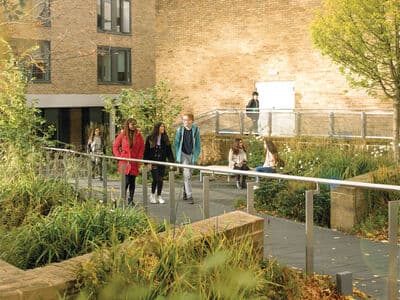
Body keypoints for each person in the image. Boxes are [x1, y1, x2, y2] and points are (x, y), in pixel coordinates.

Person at [112, 118, 145, 206]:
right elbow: (115, 146)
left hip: (134, 161)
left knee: (132, 181)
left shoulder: (138, 135)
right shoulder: (123, 134)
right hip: (125, 161)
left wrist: (139, 158)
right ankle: (123, 198)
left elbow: (142, 147)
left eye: (135, 124)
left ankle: (131, 199)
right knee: (126, 181)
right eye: (132, 124)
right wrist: (119, 157)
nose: (134, 126)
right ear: (128, 125)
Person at [143, 122, 174, 204]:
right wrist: (146, 162)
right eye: (161, 127)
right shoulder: (150, 138)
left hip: (162, 161)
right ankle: (152, 194)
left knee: (160, 179)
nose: (163, 128)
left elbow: (169, 151)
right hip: (153, 161)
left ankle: (159, 196)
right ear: (157, 128)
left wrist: (171, 162)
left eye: (163, 127)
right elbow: (146, 151)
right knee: (156, 179)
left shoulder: (165, 138)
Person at [174, 113, 201, 204]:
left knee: (189, 175)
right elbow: (176, 144)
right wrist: (178, 155)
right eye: (184, 120)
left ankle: (185, 192)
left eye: (187, 120)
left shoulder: (196, 130)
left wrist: (195, 156)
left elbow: (198, 145)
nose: (185, 122)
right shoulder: (180, 130)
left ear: (191, 121)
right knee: (187, 175)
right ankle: (190, 196)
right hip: (183, 154)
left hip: (191, 155)